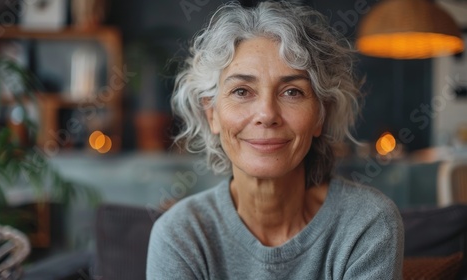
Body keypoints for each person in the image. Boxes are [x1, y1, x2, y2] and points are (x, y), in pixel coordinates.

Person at [147, 1, 404, 279]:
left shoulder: (367, 223)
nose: (267, 114)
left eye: (292, 92)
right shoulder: (180, 235)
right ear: (212, 114)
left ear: (321, 115)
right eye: (242, 91)